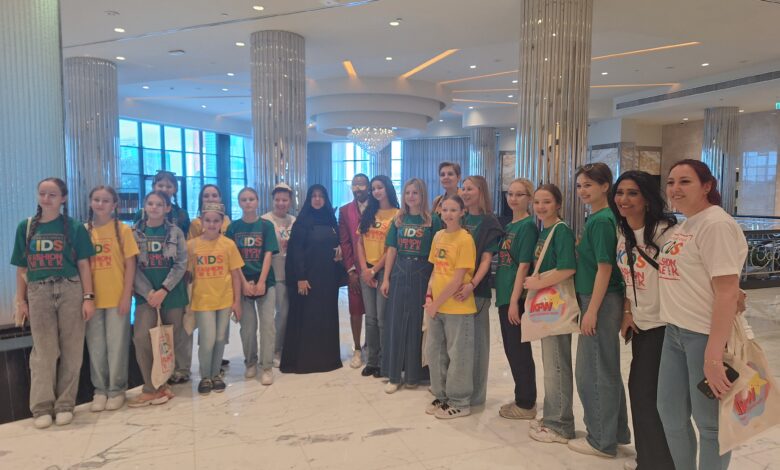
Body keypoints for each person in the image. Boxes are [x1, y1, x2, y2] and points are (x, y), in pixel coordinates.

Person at [657, 159, 747, 469]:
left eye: (685, 182)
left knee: (710, 424)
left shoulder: (716, 224)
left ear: (706, 186)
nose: (675, 189)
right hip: (674, 331)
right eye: (671, 182)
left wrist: (713, 353)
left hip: (703, 335)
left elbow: (727, 291)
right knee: (670, 413)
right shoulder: (685, 225)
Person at [11, 177, 96, 429]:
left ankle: (65, 404)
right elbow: (22, 268)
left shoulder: (75, 227)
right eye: (42, 194)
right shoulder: (26, 227)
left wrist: (88, 297)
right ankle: (41, 406)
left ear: (63, 198)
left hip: (70, 288)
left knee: (72, 349)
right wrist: (20, 300)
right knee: (44, 351)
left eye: (52, 194)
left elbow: (84, 265)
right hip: (38, 292)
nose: (46, 199)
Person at [610, 171, 676, 470]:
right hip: (641, 324)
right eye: (620, 192)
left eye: (632, 193)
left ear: (647, 199)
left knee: (647, 395)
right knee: (643, 394)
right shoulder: (623, 232)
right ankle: (650, 459)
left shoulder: (666, 233)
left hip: (667, 325)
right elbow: (629, 278)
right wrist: (627, 312)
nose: (624, 199)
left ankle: (657, 463)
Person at [569, 162, 630, 458]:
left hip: (600, 300)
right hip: (597, 298)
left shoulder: (602, 220)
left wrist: (591, 310)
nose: (582, 191)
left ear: (605, 186)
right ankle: (613, 433)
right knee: (604, 366)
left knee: (592, 370)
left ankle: (601, 440)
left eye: (588, 185)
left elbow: (605, 269)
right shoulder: (599, 217)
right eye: (579, 186)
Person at [525, 184, 577, 444]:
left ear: (558, 204)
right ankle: (552, 417)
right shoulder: (545, 230)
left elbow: (568, 268)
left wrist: (537, 283)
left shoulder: (561, 230)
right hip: (547, 305)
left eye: (546, 202)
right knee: (550, 363)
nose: (541, 207)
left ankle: (560, 424)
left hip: (556, 303)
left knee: (556, 363)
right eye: (537, 202)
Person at [380, 178, 441, 393]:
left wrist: (434, 283)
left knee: (417, 324)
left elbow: (437, 254)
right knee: (396, 322)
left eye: (415, 193)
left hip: (422, 273)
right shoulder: (398, 219)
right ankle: (394, 375)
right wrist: (386, 278)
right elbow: (392, 250)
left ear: (422, 195)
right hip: (399, 271)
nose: (411, 197)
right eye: (407, 193)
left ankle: (414, 375)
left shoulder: (433, 221)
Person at [129, 191, 188, 407]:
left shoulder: (176, 233)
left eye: (159, 204)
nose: (154, 207)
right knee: (142, 339)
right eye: (150, 203)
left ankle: (163, 385)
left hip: (172, 296)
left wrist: (163, 290)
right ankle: (150, 387)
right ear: (144, 206)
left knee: (167, 342)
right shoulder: (134, 233)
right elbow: (131, 266)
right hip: (146, 298)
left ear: (167, 208)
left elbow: (181, 264)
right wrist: (149, 293)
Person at [85, 185, 140, 412]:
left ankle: (117, 390)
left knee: (117, 346)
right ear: (90, 202)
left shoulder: (123, 230)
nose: (100, 204)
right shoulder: (84, 230)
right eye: (96, 199)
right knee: (96, 347)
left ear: (114, 205)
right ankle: (100, 390)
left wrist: (127, 296)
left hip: (117, 298)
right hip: (92, 300)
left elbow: (130, 265)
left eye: (106, 200)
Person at [423, 194, 477, 419]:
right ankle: (441, 395)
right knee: (434, 352)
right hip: (436, 305)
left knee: (458, 355)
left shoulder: (465, 239)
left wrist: (435, 303)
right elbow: (436, 271)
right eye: (445, 210)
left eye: (454, 210)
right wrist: (429, 296)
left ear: (462, 212)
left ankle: (460, 402)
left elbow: (457, 280)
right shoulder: (438, 236)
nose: (449, 214)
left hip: (457, 307)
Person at [280, 185, 343, 374]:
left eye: (321, 196)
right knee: (309, 318)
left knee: (326, 317)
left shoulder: (331, 221)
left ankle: (328, 360)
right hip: (308, 279)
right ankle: (307, 361)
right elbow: (296, 251)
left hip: (328, 279)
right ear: (309, 199)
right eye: (314, 196)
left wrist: (340, 250)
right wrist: (300, 277)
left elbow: (338, 242)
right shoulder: (302, 222)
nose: (317, 199)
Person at [187, 202, 244, 395]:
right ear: (201, 221)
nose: (212, 224)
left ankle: (215, 374)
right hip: (202, 300)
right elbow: (187, 275)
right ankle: (205, 376)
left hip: (224, 299)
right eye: (208, 220)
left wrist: (236, 301)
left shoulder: (228, 245)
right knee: (208, 339)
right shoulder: (192, 245)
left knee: (220, 338)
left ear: (222, 222)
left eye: (216, 221)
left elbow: (235, 275)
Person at [495, 178, 538, 420]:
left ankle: (526, 403)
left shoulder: (527, 227)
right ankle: (521, 396)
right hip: (504, 294)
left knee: (519, 351)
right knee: (512, 350)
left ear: (529, 198)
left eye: (519, 194)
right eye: (510, 194)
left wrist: (514, 301)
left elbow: (523, 265)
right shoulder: (510, 225)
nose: (513, 198)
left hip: (516, 297)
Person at [457, 175, 502, 406]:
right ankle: (459, 390)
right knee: (460, 344)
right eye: (463, 189)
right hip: (454, 290)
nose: (465, 193)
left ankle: (475, 396)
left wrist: (472, 284)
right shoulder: (459, 217)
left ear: (481, 192)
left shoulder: (489, 222)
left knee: (477, 344)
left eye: (470, 189)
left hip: (476, 290)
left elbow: (486, 260)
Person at [227, 187, 279, 385]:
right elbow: (233, 260)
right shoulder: (233, 228)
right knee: (248, 327)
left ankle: (266, 366)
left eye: (251, 199)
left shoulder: (266, 226)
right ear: (239, 202)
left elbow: (268, 254)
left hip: (266, 281)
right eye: (244, 199)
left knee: (267, 325)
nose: (248, 202)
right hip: (242, 282)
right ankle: (250, 362)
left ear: (257, 201)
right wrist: (243, 283)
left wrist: (262, 281)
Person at [356, 175, 400, 378]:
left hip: (384, 271)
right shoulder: (368, 212)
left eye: (379, 187)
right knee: (371, 318)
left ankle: (384, 362)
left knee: (382, 319)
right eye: (373, 188)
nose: (376, 191)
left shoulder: (397, 214)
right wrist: (365, 269)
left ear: (387, 188)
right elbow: (360, 242)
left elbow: (392, 247)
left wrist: (374, 270)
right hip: (367, 271)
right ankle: (372, 361)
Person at [262, 183, 296, 367]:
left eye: (285, 200)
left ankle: (279, 348)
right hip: (270, 274)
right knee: (270, 315)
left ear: (290, 201)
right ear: (272, 200)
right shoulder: (265, 220)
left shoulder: (294, 221)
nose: (281, 203)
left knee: (284, 314)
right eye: (278, 200)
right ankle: (268, 350)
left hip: (288, 273)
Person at [338, 174, 370, 369]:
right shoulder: (344, 211)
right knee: (356, 309)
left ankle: (371, 346)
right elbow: (345, 242)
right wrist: (350, 270)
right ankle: (357, 348)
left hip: (375, 268)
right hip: (356, 268)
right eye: (354, 184)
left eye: (361, 184)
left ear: (368, 187)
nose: (358, 188)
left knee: (374, 312)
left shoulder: (378, 208)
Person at [134, 170, 190, 235]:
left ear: (175, 189)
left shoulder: (182, 214)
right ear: (153, 187)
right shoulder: (141, 214)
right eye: (160, 186)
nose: (164, 190)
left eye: (169, 187)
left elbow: (185, 239)